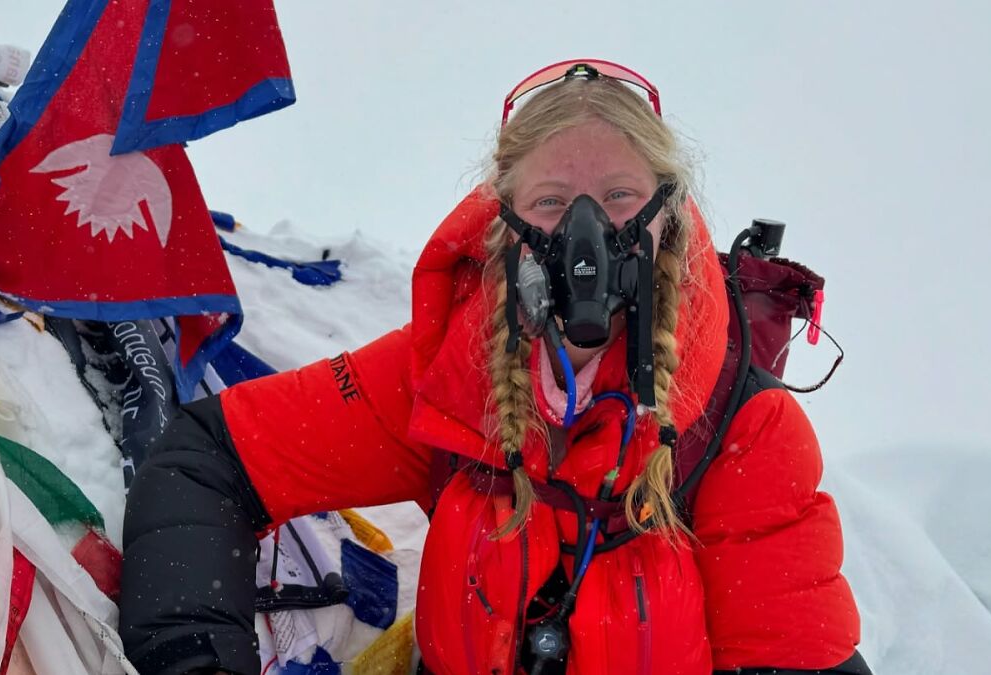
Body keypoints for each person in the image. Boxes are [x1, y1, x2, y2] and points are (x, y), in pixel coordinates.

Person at [119, 59, 871, 675]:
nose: (587, 234)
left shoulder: (742, 428)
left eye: (618, 196)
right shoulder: (448, 378)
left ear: (666, 217)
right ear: (502, 224)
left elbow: (797, 658)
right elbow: (209, 459)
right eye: (551, 201)